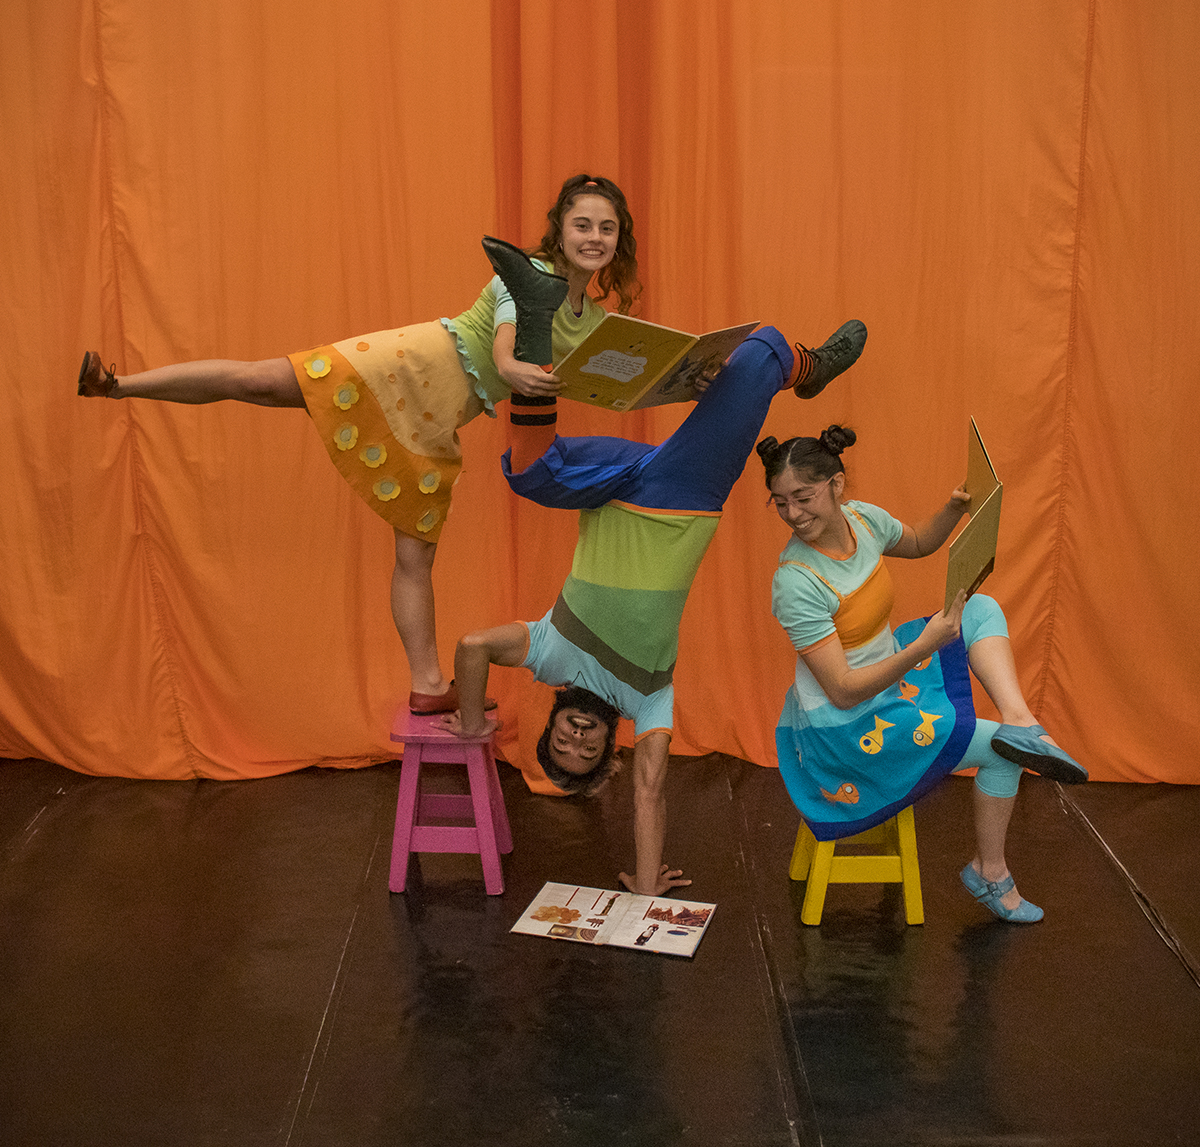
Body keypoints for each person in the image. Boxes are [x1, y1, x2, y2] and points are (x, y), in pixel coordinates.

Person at [75, 174, 638, 714]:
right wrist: (511, 368)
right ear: (559, 230)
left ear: (619, 239)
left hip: (431, 423)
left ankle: (427, 684)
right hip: (407, 367)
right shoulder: (529, 274)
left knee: (415, 555)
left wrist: (677, 384)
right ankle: (118, 385)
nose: (593, 237)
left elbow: (615, 380)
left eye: (606, 228)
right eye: (582, 225)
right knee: (259, 381)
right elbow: (508, 338)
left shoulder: (592, 321)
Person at [441, 236, 868, 895]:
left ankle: (533, 311)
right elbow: (649, 789)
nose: (577, 740)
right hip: (681, 497)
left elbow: (472, 647)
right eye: (586, 753)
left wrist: (472, 728)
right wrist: (644, 886)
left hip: (607, 485)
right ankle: (805, 367)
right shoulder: (649, 699)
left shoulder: (548, 654)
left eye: (561, 745)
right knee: (761, 351)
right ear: (607, 749)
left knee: (527, 470)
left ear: (551, 726)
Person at [760, 426, 1088, 923]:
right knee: (1003, 753)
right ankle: (990, 872)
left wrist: (954, 509)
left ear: (836, 484)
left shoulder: (862, 519)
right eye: (781, 503)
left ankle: (1022, 720)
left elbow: (917, 543)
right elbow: (843, 692)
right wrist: (922, 647)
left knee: (978, 608)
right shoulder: (796, 582)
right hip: (846, 729)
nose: (793, 514)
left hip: (889, 674)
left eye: (803, 498)